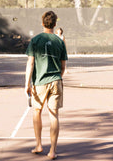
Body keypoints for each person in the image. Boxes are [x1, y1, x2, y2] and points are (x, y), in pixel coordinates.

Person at [25, 11, 68, 160]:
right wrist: (56, 78)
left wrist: (27, 84)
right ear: (55, 24)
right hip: (56, 82)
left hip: (40, 83)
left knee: (37, 111)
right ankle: (52, 151)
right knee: (54, 115)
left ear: (42, 23)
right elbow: (63, 67)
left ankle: (39, 145)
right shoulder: (60, 41)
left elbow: (30, 63)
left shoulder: (35, 40)